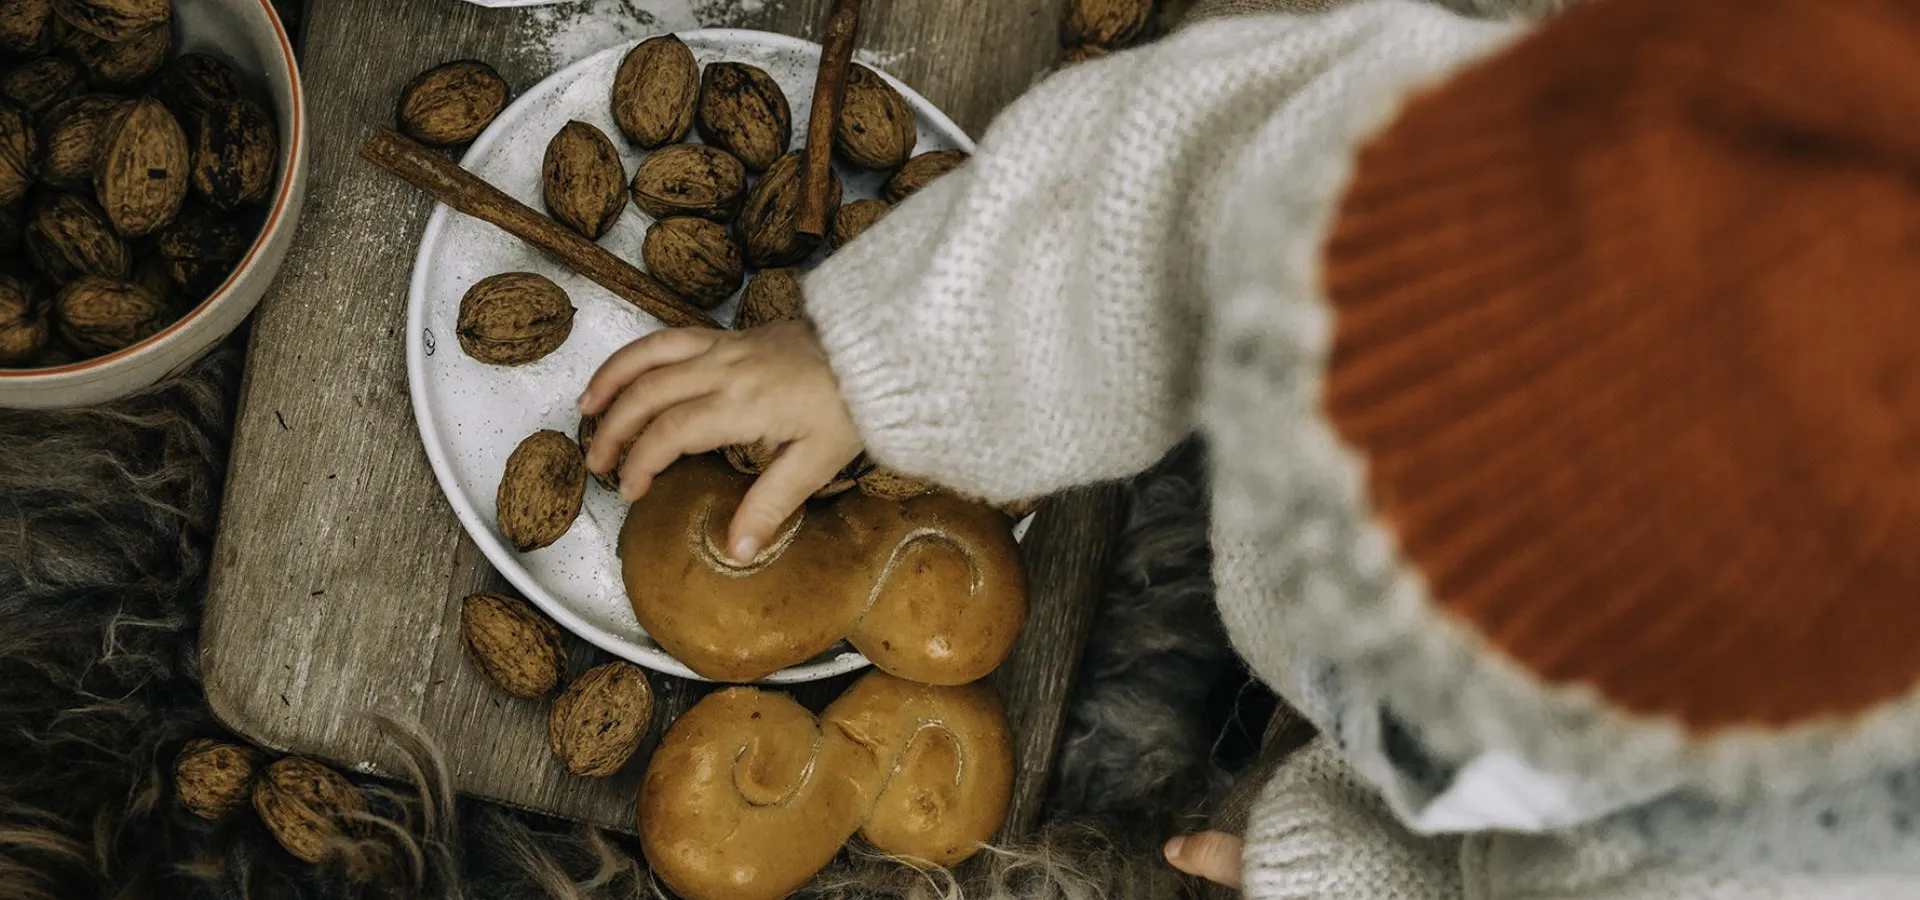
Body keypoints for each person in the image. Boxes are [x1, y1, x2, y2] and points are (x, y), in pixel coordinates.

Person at [580, 0, 1920, 895]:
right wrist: (884, 363)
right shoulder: (1447, 186)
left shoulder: (1786, 858)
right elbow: (1179, 186)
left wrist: (1353, 867)